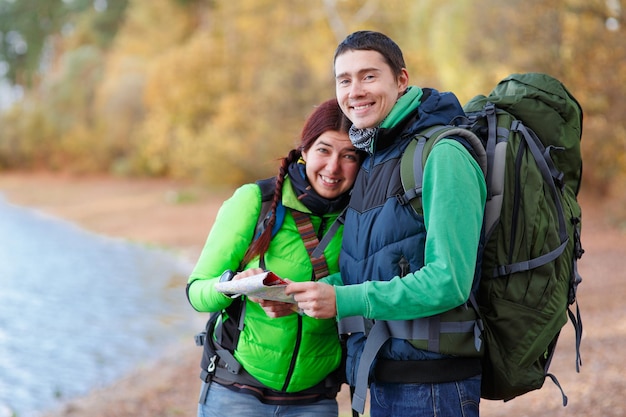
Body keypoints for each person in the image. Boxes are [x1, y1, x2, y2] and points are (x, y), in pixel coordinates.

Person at [283, 31, 488, 417]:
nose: (355, 90)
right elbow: (375, 268)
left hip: (434, 386)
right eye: (344, 80)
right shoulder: (376, 157)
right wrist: (306, 296)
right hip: (384, 375)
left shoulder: (442, 154)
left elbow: (450, 281)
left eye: (368, 76)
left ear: (401, 81)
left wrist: (343, 300)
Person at [186, 98, 364, 417]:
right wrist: (230, 286)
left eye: (348, 155)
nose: (333, 167)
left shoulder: (364, 217)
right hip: (236, 391)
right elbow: (197, 292)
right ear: (305, 150)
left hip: (315, 399)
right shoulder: (256, 201)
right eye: (324, 150)